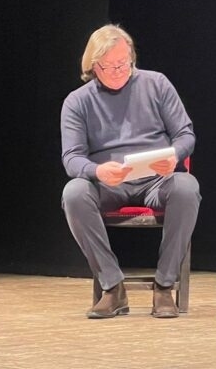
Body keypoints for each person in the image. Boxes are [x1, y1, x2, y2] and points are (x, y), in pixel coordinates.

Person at [60, 25, 200, 319]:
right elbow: (72, 158)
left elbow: (185, 134)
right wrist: (97, 170)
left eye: (123, 63)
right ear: (92, 66)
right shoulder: (77, 101)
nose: (117, 70)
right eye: (108, 66)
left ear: (131, 57)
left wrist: (174, 155)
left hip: (156, 179)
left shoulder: (157, 84)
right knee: (73, 192)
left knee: (187, 188)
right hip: (109, 183)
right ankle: (112, 287)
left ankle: (164, 287)